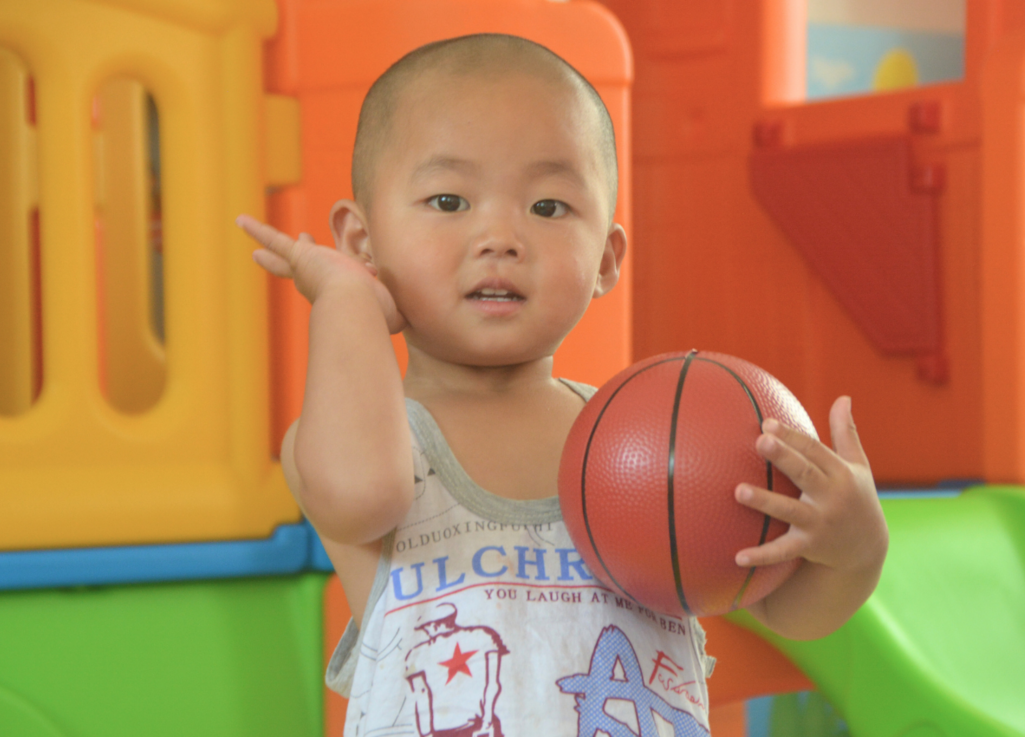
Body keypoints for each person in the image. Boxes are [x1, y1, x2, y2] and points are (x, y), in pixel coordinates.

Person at [237, 33, 887, 737]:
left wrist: (853, 547)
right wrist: (345, 301)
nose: (500, 236)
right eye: (449, 199)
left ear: (606, 259)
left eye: (548, 208)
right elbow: (362, 498)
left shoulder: (649, 445)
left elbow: (787, 610)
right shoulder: (365, 438)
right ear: (362, 245)